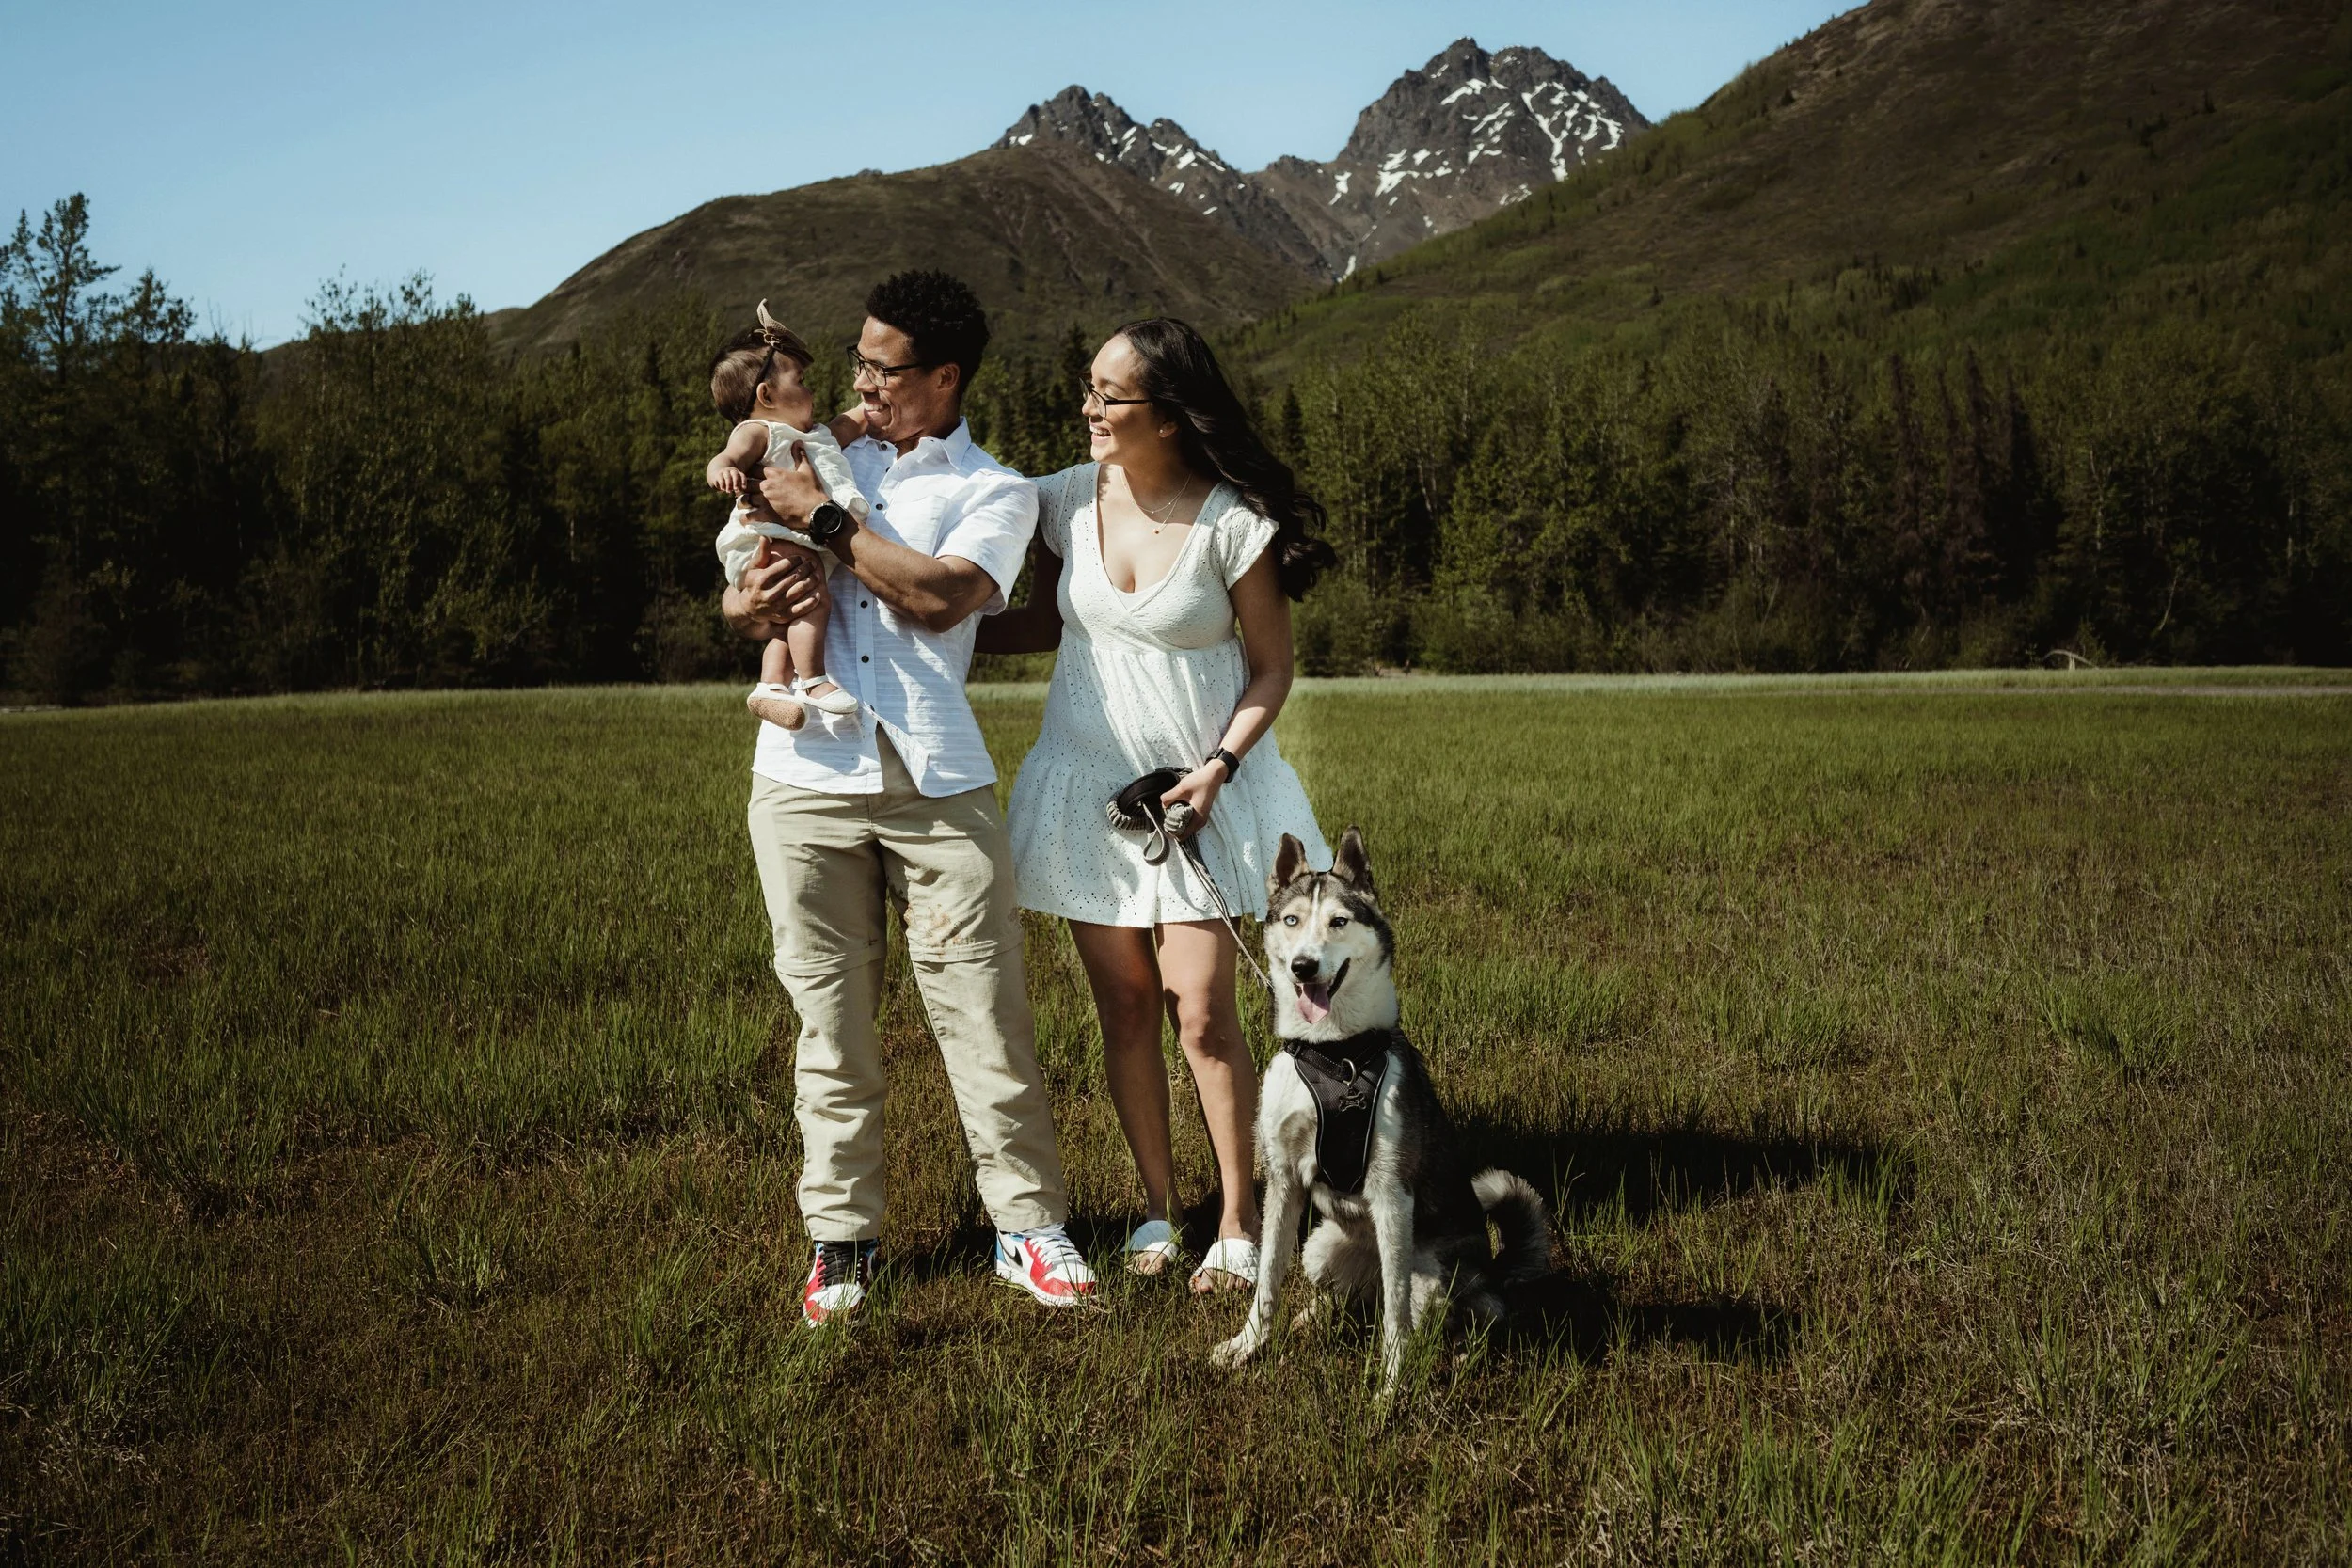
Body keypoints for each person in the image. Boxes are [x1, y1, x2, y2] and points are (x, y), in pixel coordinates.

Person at [726, 269, 1096, 1325]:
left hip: (938, 781)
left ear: (944, 377)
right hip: (802, 785)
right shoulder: (800, 447)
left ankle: (1027, 1229)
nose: (862, 385)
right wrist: (742, 594)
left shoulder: (994, 488)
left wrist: (830, 520)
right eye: (857, 364)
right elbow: (738, 577)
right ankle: (841, 1243)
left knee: (985, 1013)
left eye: (883, 370)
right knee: (828, 1027)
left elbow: (939, 600)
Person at [984, 317, 1335, 1293]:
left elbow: (1272, 668)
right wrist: (924, 622)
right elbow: (1032, 618)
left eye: (1109, 394)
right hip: (1085, 791)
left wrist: (1219, 764)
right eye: (1087, 388)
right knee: (1127, 1005)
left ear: (1170, 416)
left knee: (1201, 1008)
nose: (1088, 408)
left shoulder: (1232, 520)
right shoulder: (1061, 499)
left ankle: (1237, 1213)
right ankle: (1153, 1205)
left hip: (1201, 796)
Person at [707, 301, 870, 731]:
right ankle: (813, 681)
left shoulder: (811, 435)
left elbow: (844, 427)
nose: (811, 391)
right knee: (811, 599)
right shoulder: (758, 431)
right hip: (771, 535)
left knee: (790, 611)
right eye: (801, 380)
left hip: (798, 535)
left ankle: (771, 686)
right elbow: (725, 457)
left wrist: (869, 412)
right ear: (766, 395)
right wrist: (723, 472)